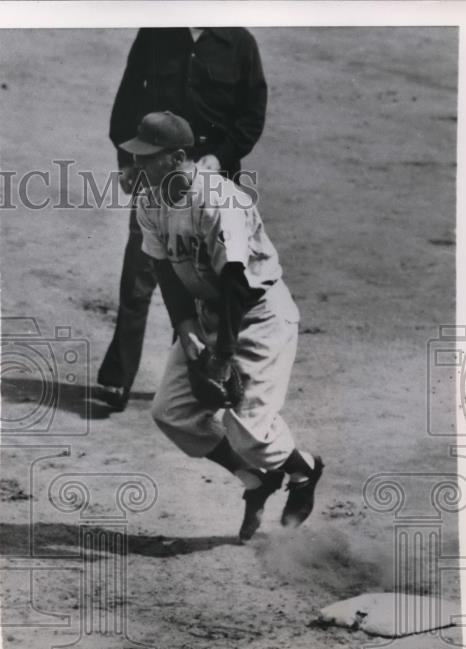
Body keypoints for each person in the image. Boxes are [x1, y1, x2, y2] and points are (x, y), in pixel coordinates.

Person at [120, 111, 322, 541]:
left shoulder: (218, 201)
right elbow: (163, 266)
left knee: (247, 429)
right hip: (208, 312)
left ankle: (303, 470)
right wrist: (188, 330)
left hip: (257, 313)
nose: (139, 166)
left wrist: (223, 355)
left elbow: (235, 282)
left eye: (148, 158)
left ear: (176, 157)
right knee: (171, 413)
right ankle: (256, 478)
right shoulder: (151, 200)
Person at [98, 27, 267, 411]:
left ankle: (201, 379)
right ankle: (118, 377)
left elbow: (251, 115)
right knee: (139, 277)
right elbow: (127, 102)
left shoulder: (238, 42)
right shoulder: (157, 31)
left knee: (207, 283)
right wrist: (128, 163)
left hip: (213, 181)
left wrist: (220, 157)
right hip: (156, 173)